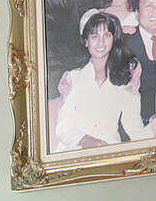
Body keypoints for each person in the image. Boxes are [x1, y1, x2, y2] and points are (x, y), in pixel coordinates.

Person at [51, 14, 144, 151]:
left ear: (114, 38)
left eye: (107, 35)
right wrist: (86, 140)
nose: (101, 42)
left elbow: (133, 123)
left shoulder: (125, 76)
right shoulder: (73, 78)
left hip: (110, 150)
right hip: (75, 151)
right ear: (86, 41)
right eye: (94, 36)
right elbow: (63, 126)